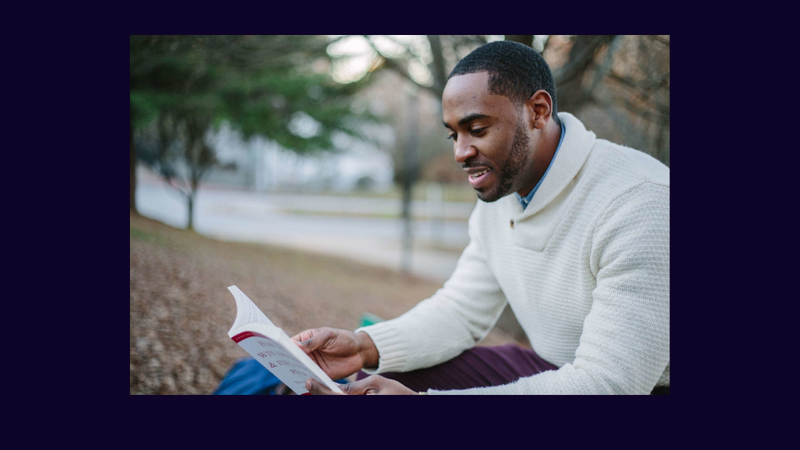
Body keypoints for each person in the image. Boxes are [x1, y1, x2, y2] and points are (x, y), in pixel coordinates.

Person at [292, 40, 670, 395]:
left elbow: (608, 386)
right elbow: (460, 311)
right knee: (382, 376)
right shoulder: (505, 193)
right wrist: (363, 346)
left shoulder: (639, 203)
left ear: (538, 111)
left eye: (476, 130)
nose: (460, 152)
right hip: (557, 367)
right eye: (453, 135)